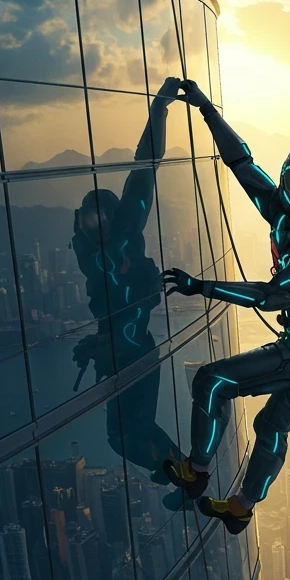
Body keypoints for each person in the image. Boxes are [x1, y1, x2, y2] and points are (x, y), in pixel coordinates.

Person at [161, 78, 290, 535]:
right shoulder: (284, 212)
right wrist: (206, 110)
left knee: (213, 381)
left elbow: (273, 296)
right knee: (271, 423)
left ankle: (197, 472)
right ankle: (241, 506)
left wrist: (202, 286)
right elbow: (241, 164)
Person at [72, 76, 182, 484]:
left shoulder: (120, 239)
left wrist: (160, 107)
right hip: (127, 352)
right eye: (88, 220)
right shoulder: (89, 254)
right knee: (124, 435)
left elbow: (143, 167)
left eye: (101, 218)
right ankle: (182, 474)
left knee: (125, 434)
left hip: (133, 352)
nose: (95, 226)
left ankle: (185, 473)